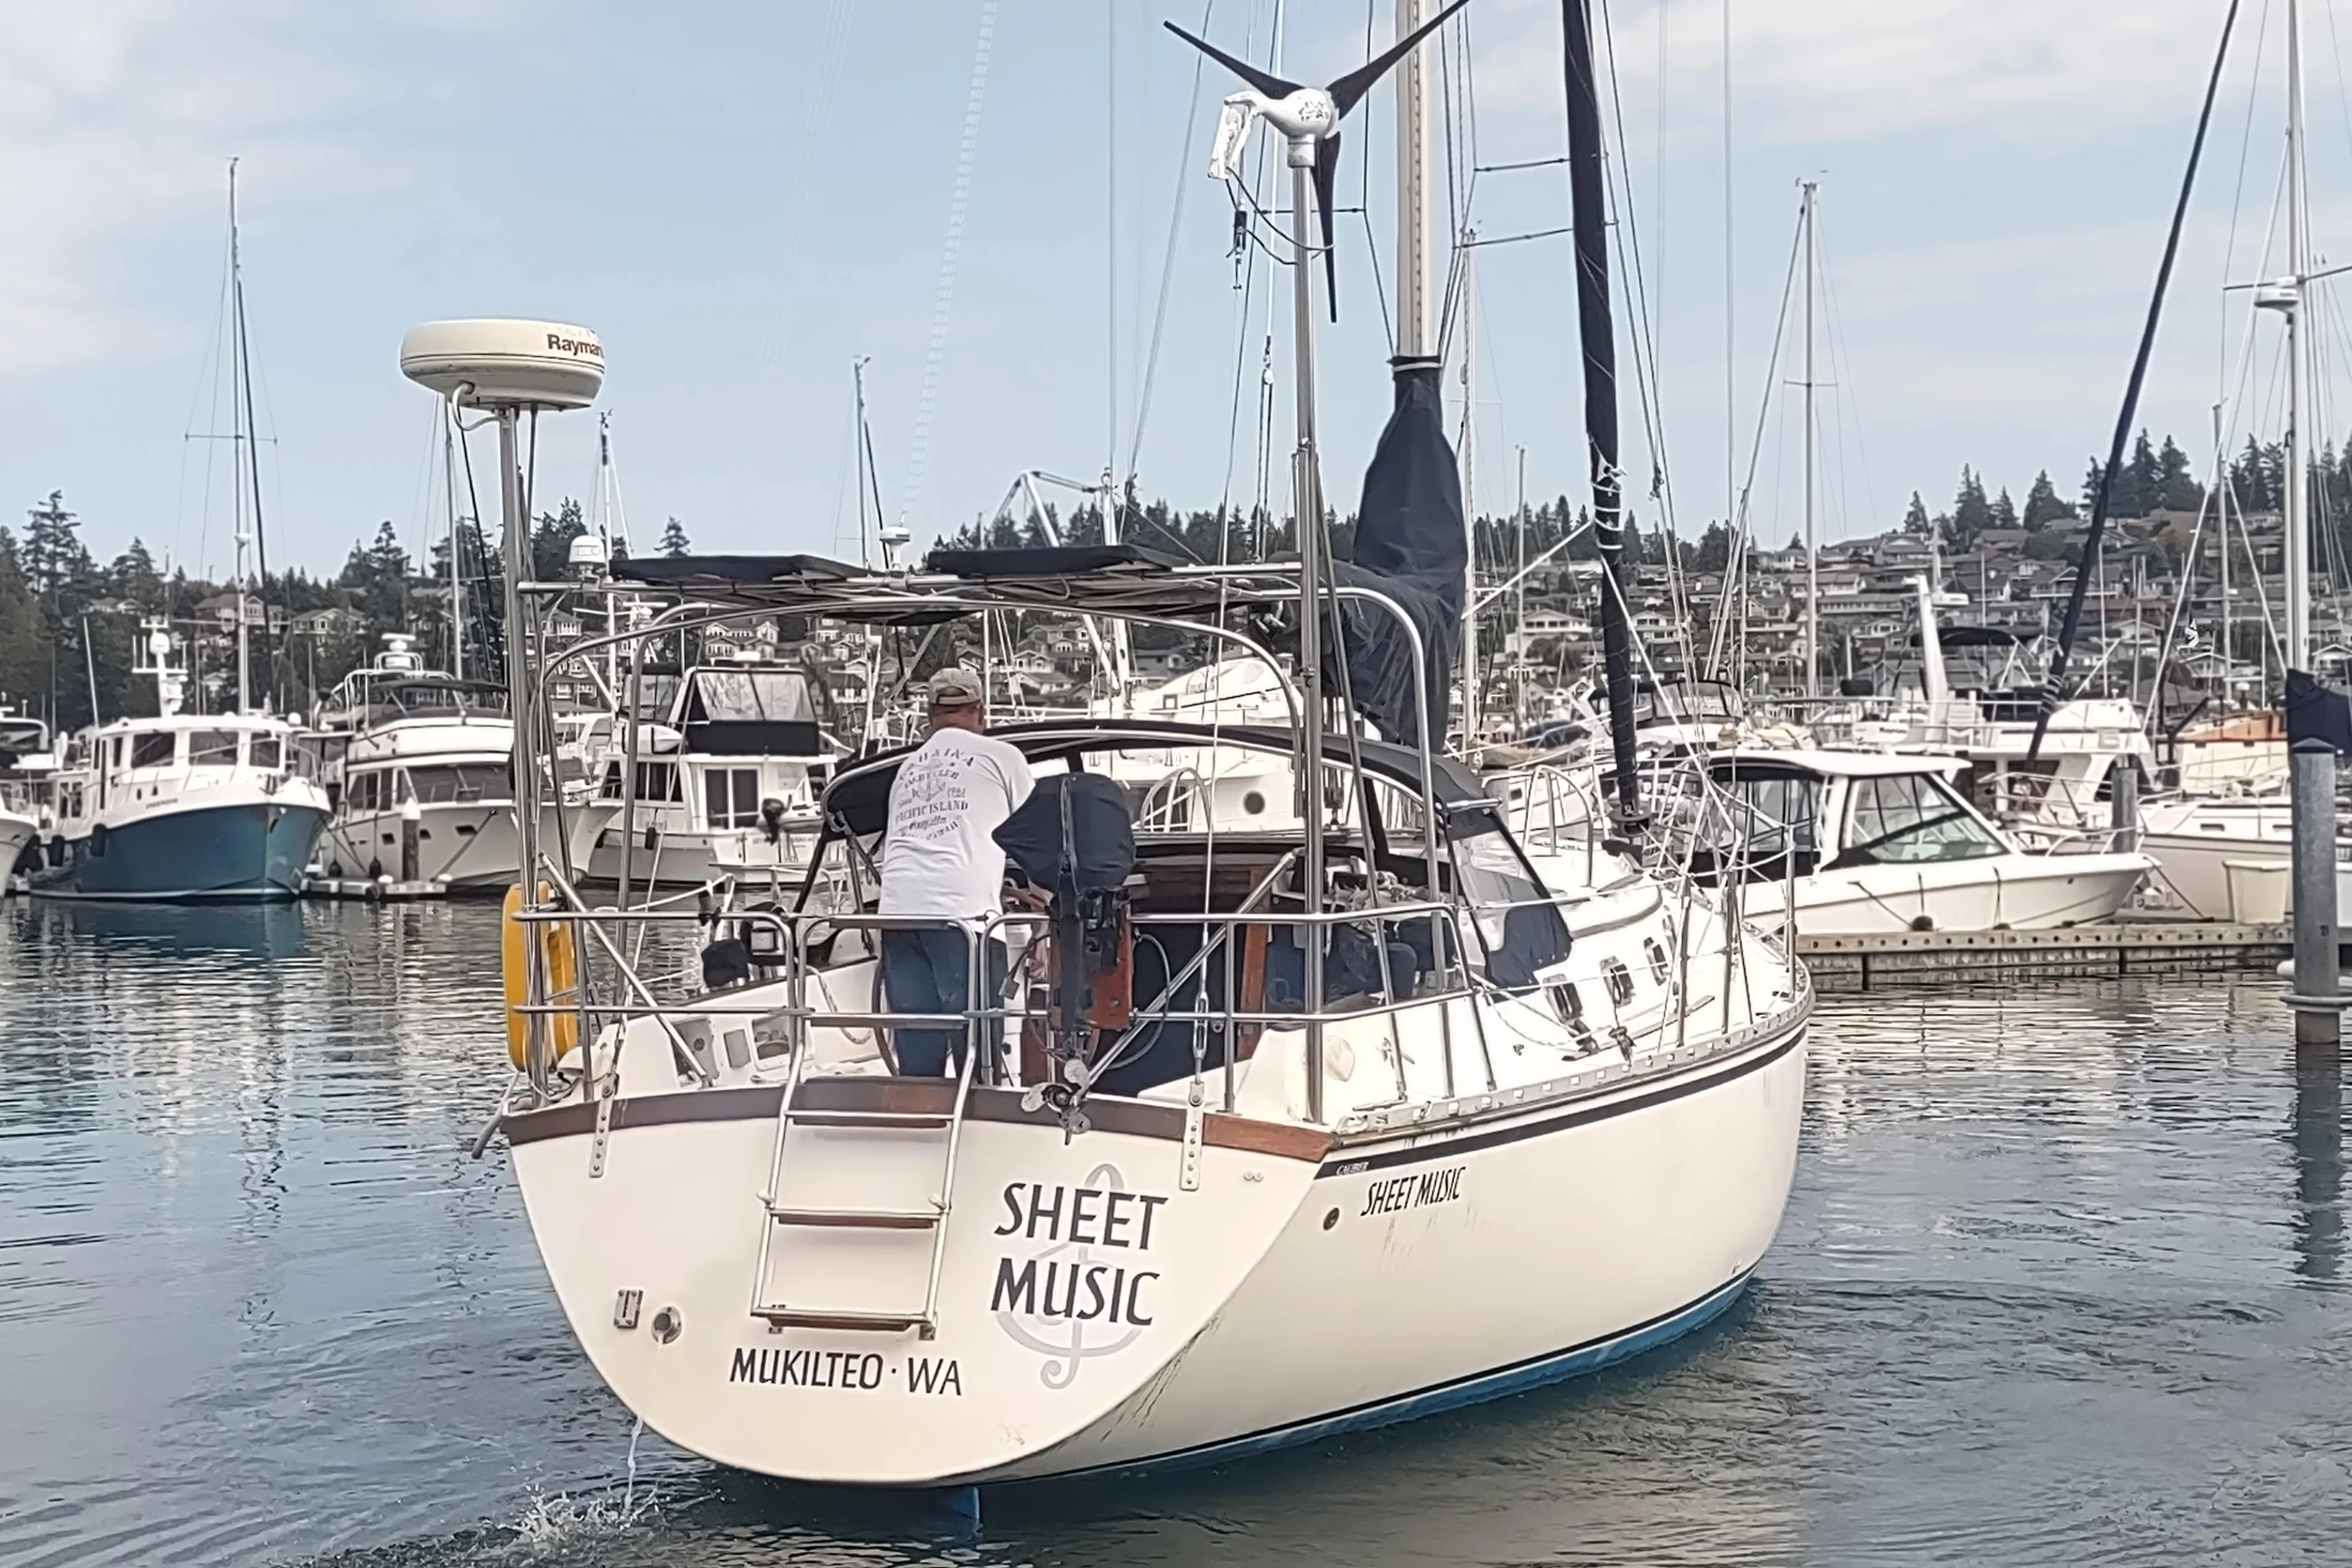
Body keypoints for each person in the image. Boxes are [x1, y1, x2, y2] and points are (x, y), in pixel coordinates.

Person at [876, 666, 1036, 1076]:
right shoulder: (1002, 756)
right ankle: (980, 1107)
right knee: (977, 1053)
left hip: (897, 915)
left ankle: (921, 1109)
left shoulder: (907, 768)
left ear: (931, 716)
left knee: (918, 1056)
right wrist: (1045, 901)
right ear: (981, 712)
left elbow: (928, 844)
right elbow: (1037, 837)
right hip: (963, 918)